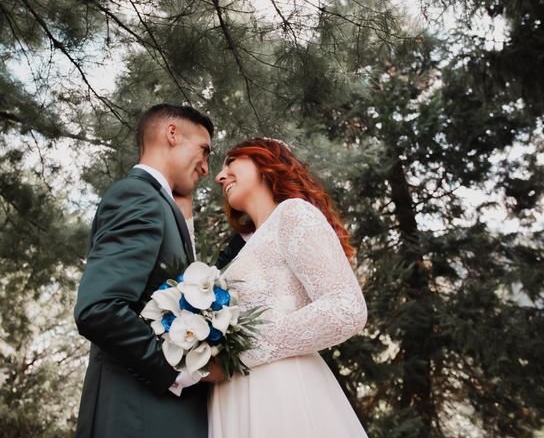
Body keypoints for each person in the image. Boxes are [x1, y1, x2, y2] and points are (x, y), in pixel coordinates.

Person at [73, 104, 224, 438]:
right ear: (172, 134)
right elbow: (99, 309)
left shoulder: (159, 204)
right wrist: (183, 370)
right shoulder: (138, 196)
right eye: (204, 150)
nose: (205, 167)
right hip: (137, 417)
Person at [210, 137, 369, 437]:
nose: (219, 176)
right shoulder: (238, 253)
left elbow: (347, 307)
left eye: (230, 161)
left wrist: (237, 354)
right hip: (231, 401)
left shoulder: (293, 213)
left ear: (263, 160)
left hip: (282, 394)